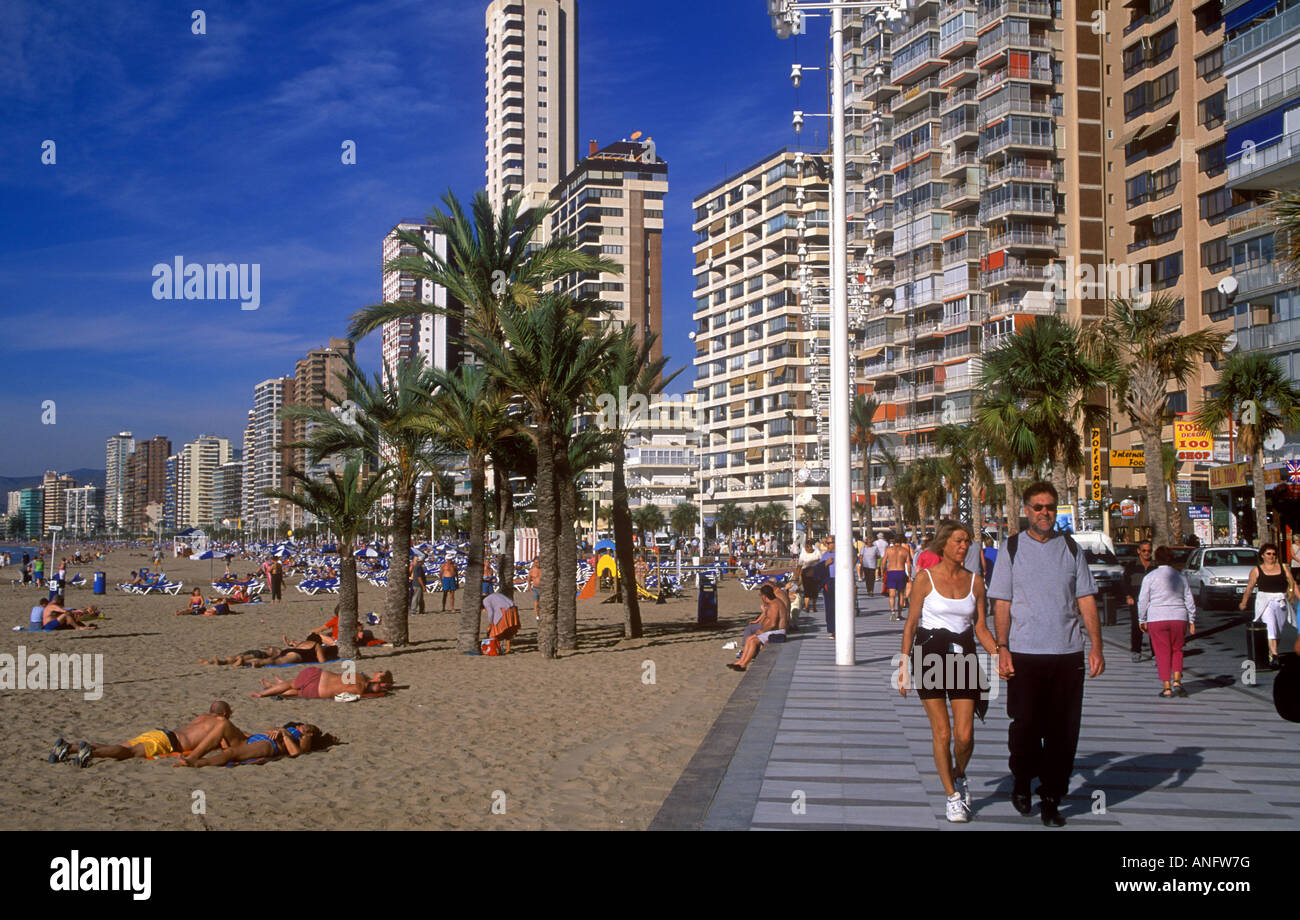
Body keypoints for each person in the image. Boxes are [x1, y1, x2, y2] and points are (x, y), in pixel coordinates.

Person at [988, 480, 1103, 827]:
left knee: (1063, 731)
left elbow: (1085, 599)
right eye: (1037, 507)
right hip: (1023, 653)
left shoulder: (1070, 548)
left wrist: (1096, 645)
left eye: (1049, 507)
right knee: (1024, 727)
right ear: (1026, 511)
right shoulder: (1011, 548)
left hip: (1067, 654)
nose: (1044, 513)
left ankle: (1052, 797)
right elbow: (1002, 603)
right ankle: (1022, 780)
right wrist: (1002, 648)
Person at [898, 521, 997, 823]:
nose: (963, 546)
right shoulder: (925, 579)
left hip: (963, 657)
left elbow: (980, 627)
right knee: (942, 731)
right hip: (929, 656)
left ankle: (960, 774)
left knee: (964, 735)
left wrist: (999, 655)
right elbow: (911, 625)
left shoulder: (975, 582)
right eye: (958, 541)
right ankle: (952, 796)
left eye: (966, 541)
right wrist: (903, 666)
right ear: (943, 544)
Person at [49, 702, 236, 767]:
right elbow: (235, 742)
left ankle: (69, 747)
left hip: (159, 733)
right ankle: (92, 753)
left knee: (121, 747)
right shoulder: (221, 725)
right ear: (226, 715)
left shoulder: (202, 717)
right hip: (167, 743)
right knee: (128, 753)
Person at [1138, 546, 1196, 698]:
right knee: (1177, 649)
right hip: (1178, 616)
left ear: (1156, 559)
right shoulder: (1180, 576)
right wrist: (1192, 619)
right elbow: (1188, 598)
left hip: (1157, 617)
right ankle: (1177, 681)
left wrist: (1142, 618)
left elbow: (1143, 599)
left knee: (1162, 652)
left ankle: (1167, 687)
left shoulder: (1150, 577)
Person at [1240, 543, 1297, 669]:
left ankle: (1272, 652)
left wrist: (1296, 596)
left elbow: (1292, 583)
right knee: (1270, 626)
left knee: (1278, 630)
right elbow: (1249, 587)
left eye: (1274, 554)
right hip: (1265, 602)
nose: (1271, 556)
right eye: (1268, 554)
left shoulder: (1283, 567)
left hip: (1281, 601)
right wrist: (1244, 602)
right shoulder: (1256, 570)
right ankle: (1275, 655)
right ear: (1262, 555)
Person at [177, 720, 324, 768]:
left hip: (268, 745)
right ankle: (193, 757)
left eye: (306, 727)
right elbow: (269, 729)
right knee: (223, 724)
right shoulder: (290, 726)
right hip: (250, 739)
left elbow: (296, 753)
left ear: (310, 733)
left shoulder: (304, 738)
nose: (302, 726)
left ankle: (198, 763)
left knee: (230, 754)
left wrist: (285, 734)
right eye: (303, 725)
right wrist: (278, 729)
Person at [729, 584, 790, 671]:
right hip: (774, 631)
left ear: (764, 596)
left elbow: (773, 623)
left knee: (753, 640)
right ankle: (740, 662)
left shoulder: (774, 605)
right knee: (749, 638)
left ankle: (744, 664)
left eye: (761, 595)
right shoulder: (774, 602)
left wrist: (761, 631)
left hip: (778, 633)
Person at [251, 667, 394, 700]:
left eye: (379, 672)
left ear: (379, 680)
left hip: (318, 677)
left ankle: (263, 692)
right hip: (317, 692)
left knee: (291, 683)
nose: (377, 671)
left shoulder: (359, 678)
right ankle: (273, 687)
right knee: (296, 692)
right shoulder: (359, 687)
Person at [1123, 540, 1155, 663]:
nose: (1147, 553)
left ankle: (1155, 653)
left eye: (1149, 551)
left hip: (1152, 602)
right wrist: (1128, 596)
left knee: (1153, 627)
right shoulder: (1132, 565)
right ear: (1139, 551)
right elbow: (1125, 582)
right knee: (1137, 627)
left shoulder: (1155, 565)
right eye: (1144, 551)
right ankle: (1136, 651)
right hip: (1136, 600)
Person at [883, 535, 914, 622]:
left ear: (893, 541)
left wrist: (882, 572)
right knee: (901, 595)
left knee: (892, 595)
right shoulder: (904, 550)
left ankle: (893, 612)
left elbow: (884, 562)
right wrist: (910, 574)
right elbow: (908, 563)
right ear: (901, 542)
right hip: (901, 572)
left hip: (891, 572)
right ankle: (899, 614)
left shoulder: (889, 550)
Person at [798, 539, 824, 615]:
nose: (807, 549)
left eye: (809, 547)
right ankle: (806, 607)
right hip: (805, 574)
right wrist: (797, 575)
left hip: (815, 574)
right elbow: (799, 565)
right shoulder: (803, 554)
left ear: (812, 547)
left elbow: (822, 562)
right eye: (806, 547)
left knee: (815, 590)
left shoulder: (817, 552)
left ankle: (814, 606)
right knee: (807, 590)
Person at [821, 536, 839, 638]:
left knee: (840, 606)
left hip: (840, 581)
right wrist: (825, 564)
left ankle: (840, 628)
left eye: (828, 543)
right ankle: (833, 630)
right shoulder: (825, 555)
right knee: (829, 607)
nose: (826, 545)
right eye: (826, 543)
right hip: (829, 581)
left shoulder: (842, 553)